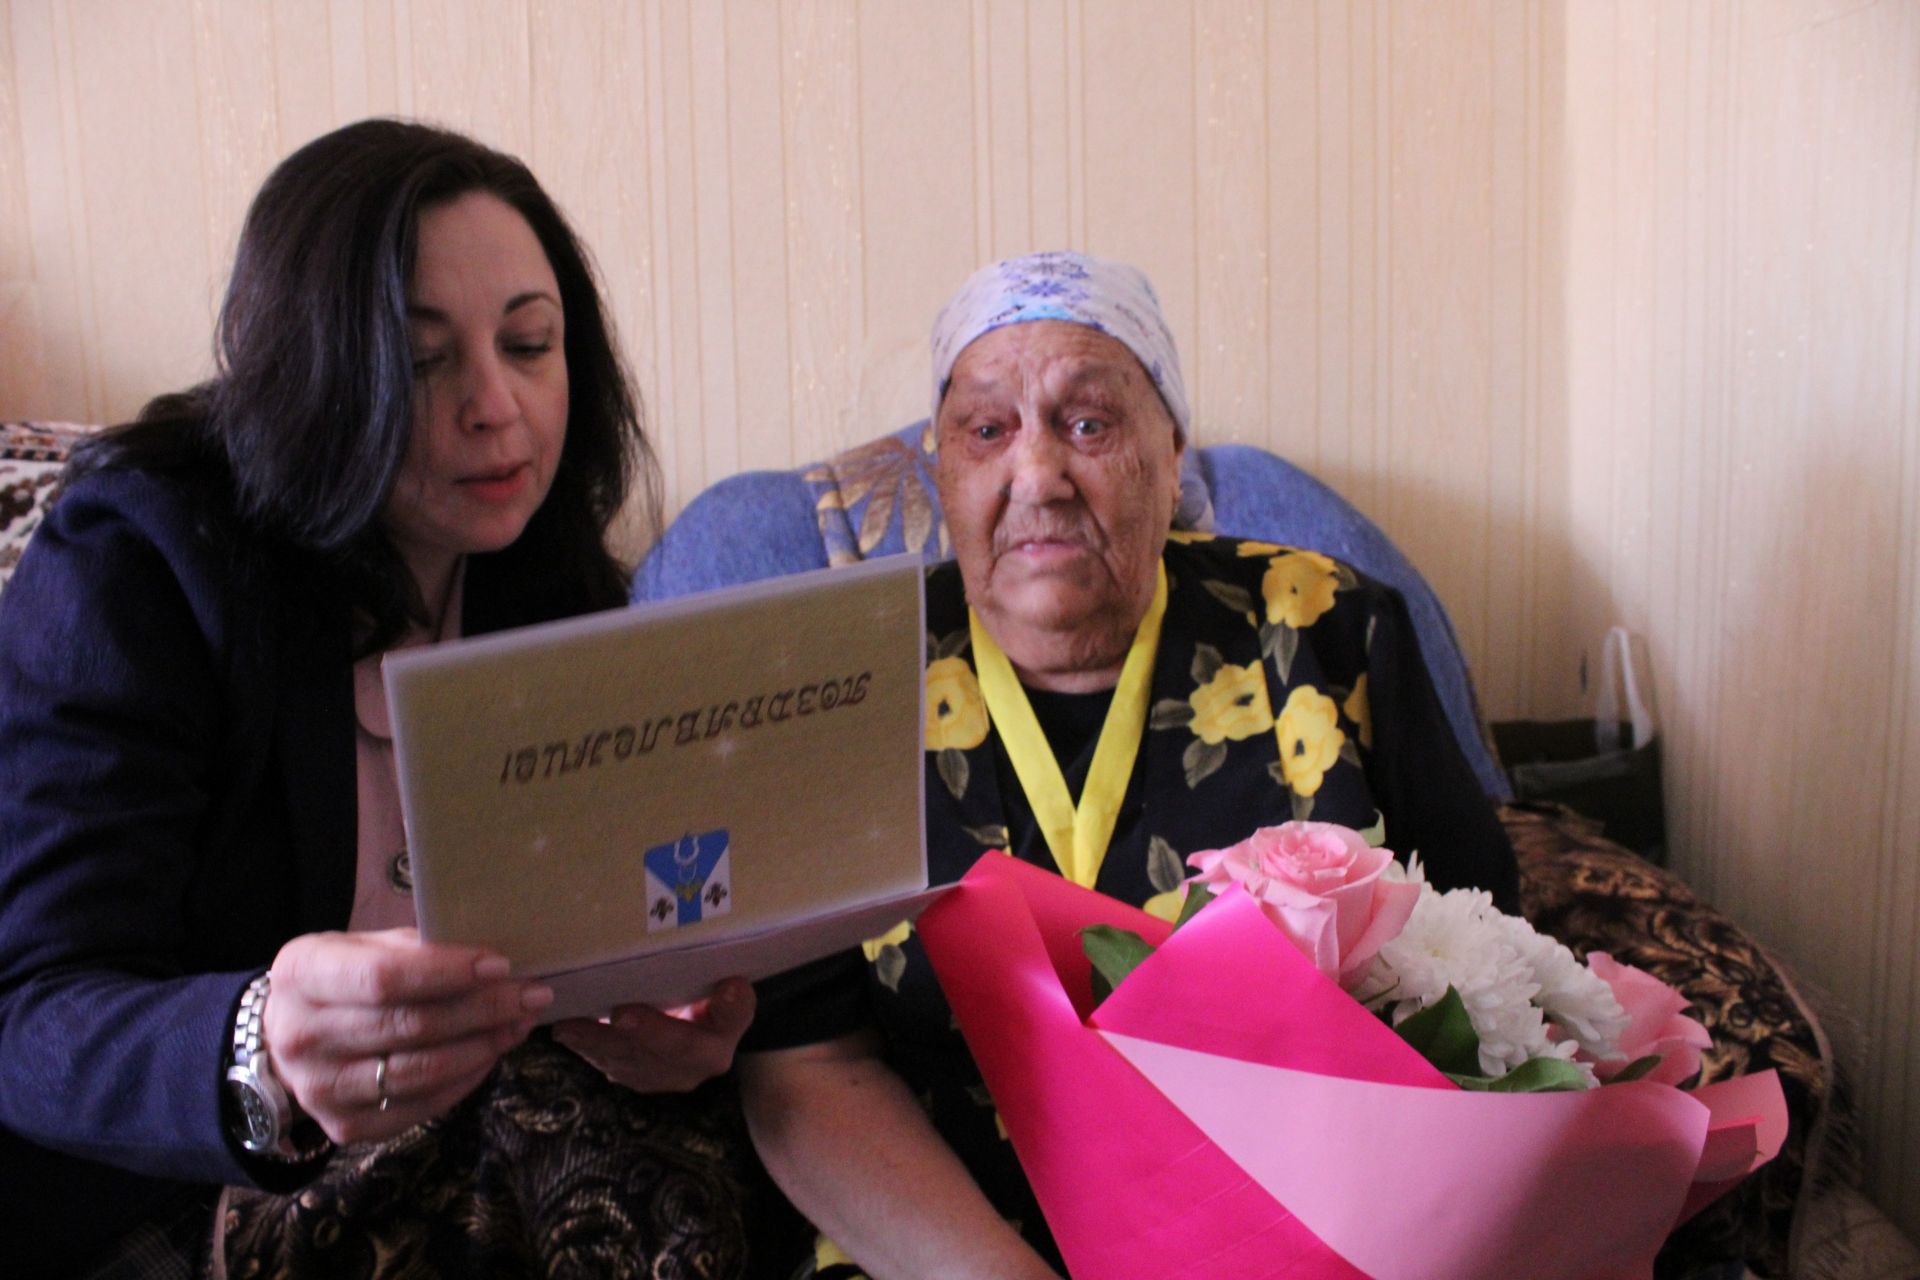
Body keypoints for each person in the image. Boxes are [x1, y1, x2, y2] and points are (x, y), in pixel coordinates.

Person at [0, 119, 755, 1278]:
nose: (497, 404)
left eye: (531, 343)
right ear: (313, 368)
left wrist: (671, 1022)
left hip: (453, 1145)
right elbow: (28, 1011)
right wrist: (257, 1046)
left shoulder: (546, 579)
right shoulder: (140, 559)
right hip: (152, 1192)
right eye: (421, 359)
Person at [735, 251, 1520, 1278]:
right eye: (987, 430)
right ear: (944, 471)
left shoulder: (1327, 627)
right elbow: (805, 1062)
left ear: (1171, 451)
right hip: (944, 1247)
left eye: (1088, 423)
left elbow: (1483, 962)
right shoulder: (845, 684)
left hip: (1304, 1235)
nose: (1037, 476)